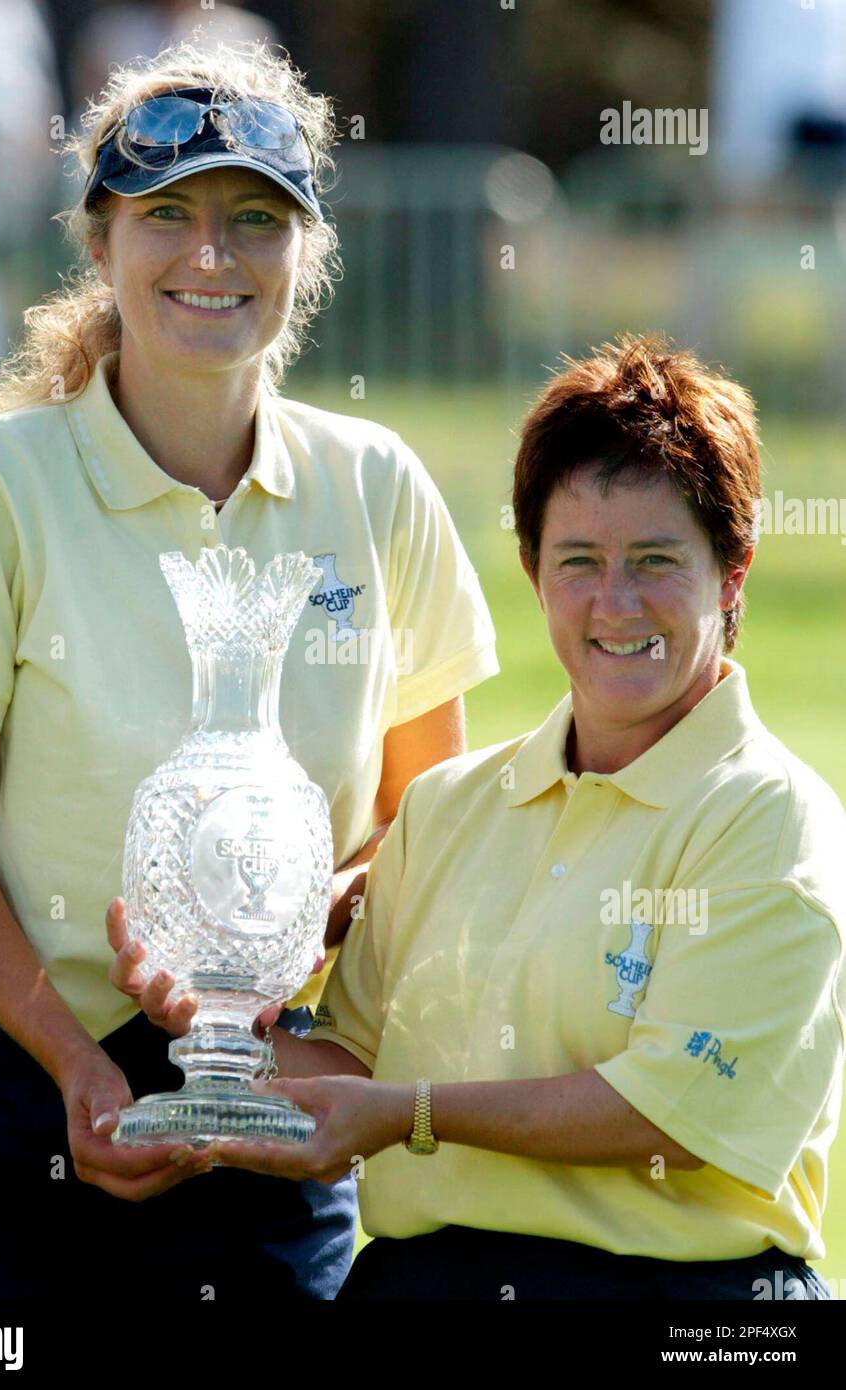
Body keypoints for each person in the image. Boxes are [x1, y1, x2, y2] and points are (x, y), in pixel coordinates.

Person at [0, 37, 498, 1301]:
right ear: (99, 243)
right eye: (168, 215)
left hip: (263, 1102)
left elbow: (426, 831)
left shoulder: (375, 488)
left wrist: (305, 929)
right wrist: (73, 1062)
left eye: (254, 222)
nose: (211, 255)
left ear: (302, 258)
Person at [184, 336, 846, 1300]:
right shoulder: (445, 809)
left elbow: (665, 1116)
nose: (615, 604)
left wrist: (408, 1115)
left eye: (657, 559)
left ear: (734, 570)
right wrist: (221, 1010)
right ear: (533, 570)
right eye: (579, 560)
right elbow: (351, 1061)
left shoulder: (768, 817)